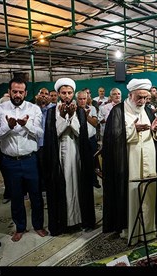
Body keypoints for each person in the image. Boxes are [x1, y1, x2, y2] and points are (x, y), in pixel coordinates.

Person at [102, 78, 157, 245]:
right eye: (139, 97)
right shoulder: (118, 111)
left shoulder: (149, 110)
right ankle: (131, 230)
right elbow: (112, 139)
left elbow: (154, 136)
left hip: (149, 158)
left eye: (145, 97)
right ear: (130, 95)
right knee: (132, 193)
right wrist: (132, 130)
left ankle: (149, 230)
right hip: (129, 161)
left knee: (149, 192)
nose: (142, 101)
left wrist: (154, 130)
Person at [0, 77, 48, 242]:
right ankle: (20, 227)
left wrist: (25, 125)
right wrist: (8, 127)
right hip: (9, 161)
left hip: (30, 159)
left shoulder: (34, 109)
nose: (17, 94)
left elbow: (39, 132)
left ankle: (38, 225)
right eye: (14, 91)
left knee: (36, 196)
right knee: (16, 197)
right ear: (9, 91)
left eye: (20, 92)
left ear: (25, 93)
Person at [42, 78, 96, 235]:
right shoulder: (52, 112)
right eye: (63, 93)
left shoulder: (79, 110)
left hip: (76, 153)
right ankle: (62, 222)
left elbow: (81, 134)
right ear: (58, 94)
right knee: (62, 186)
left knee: (78, 186)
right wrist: (64, 118)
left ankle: (81, 219)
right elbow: (53, 134)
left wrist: (71, 117)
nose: (66, 96)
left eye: (69, 93)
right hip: (59, 155)